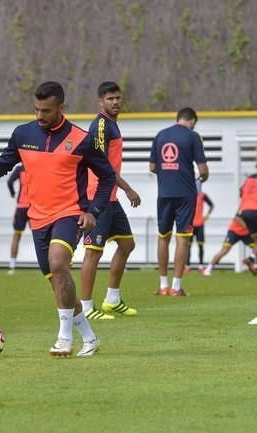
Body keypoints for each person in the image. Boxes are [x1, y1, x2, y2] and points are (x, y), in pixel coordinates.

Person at [0, 81, 116, 357]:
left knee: (58, 262)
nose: (40, 116)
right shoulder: (23, 133)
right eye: (37, 109)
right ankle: (89, 337)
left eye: (46, 111)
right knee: (59, 283)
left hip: (70, 213)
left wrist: (93, 211)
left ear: (61, 108)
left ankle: (64, 338)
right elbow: (6, 160)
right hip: (37, 218)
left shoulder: (82, 139)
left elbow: (107, 176)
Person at [80, 81, 141, 320]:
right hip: (99, 198)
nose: (115, 102)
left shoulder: (112, 125)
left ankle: (112, 300)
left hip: (110, 198)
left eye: (117, 98)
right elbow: (102, 166)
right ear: (100, 102)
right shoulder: (102, 126)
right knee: (93, 252)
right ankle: (85, 308)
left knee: (127, 245)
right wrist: (128, 189)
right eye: (109, 99)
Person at [149, 107, 209, 296]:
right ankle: (176, 287)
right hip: (186, 194)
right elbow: (203, 169)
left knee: (163, 236)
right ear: (192, 120)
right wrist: (202, 178)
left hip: (165, 192)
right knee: (182, 237)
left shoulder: (160, 135)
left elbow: (152, 167)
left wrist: (168, 174)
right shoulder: (193, 136)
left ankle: (162, 285)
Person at [6, 164, 29, 275]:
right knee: (41, 236)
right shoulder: (37, 165)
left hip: (22, 206)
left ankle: (12, 266)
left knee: (17, 235)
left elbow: (10, 182)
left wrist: (13, 193)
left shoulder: (20, 168)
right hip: (35, 206)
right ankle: (47, 265)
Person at [186, 179, 214, 272]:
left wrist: (206, 216)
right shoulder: (188, 194)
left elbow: (211, 205)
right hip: (190, 224)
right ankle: (187, 266)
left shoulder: (202, 195)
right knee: (188, 246)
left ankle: (201, 266)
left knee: (200, 245)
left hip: (200, 224)